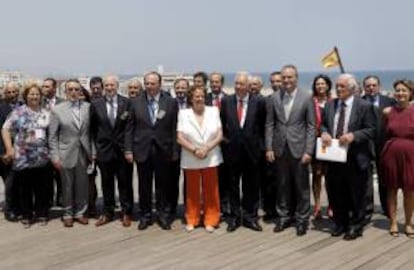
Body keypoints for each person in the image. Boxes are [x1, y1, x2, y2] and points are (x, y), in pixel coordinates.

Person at [321, 73, 376, 240]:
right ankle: (340, 223)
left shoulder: (364, 106)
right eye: (337, 86)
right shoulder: (330, 105)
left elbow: (372, 129)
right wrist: (324, 133)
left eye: (342, 86)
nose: (338, 89)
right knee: (336, 191)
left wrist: (354, 136)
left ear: (352, 88)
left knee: (357, 194)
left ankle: (356, 225)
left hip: (355, 157)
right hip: (334, 156)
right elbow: (323, 124)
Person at [265, 64, 315, 236]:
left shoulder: (307, 97)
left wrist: (309, 150)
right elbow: (270, 124)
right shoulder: (273, 98)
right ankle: (284, 217)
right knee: (282, 185)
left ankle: (302, 220)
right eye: (284, 77)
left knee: (302, 187)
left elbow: (311, 126)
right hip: (280, 149)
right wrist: (269, 147)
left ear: (296, 78)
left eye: (289, 77)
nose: (286, 80)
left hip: (299, 149)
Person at [125, 71, 178, 230]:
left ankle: (162, 215)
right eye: (147, 83)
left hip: (163, 150)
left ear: (159, 84)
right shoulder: (135, 102)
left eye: (152, 83)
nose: (149, 86)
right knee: (144, 186)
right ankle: (145, 216)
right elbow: (129, 128)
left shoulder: (170, 102)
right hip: (142, 149)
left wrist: (175, 151)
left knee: (163, 185)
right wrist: (128, 150)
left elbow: (175, 128)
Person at [220, 72, 266, 232]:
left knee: (251, 187)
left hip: (252, 153)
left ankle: (250, 217)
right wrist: (226, 142)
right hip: (231, 152)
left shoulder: (259, 102)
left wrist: (261, 147)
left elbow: (263, 126)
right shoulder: (226, 101)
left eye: (242, 84)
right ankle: (233, 218)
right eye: (236, 83)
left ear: (248, 85)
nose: (238, 86)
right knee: (232, 186)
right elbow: (222, 123)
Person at [2, 82, 51, 228]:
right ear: (26, 96)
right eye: (31, 94)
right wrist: (9, 149)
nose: (34, 96)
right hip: (23, 157)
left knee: (42, 187)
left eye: (37, 94)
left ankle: (42, 213)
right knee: (25, 188)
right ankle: (27, 215)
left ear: (40, 96)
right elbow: (5, 129)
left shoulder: (46, 112)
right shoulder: (18, 112)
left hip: (42, 157)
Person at [177, 86, 223, 232]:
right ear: (191, 98)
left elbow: (219, 135)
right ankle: (192, 219)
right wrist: (195, 150)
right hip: (191, 156)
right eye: (196, 96)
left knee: (211, 190)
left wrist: (207, 148)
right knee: (192, 191)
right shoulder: (183, 113)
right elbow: (180, 137)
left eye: (202, 96)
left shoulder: (213, 111)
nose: (199, 98)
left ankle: (211, 219)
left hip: (211, 155)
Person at [90, 75, 134, 227]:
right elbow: (93, 129)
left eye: (112, 85)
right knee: (106, 183)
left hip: (122, 151)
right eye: (107, 85)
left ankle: (126, 212)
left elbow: (129, 129)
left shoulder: (126, 103)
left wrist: (128, 149)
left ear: (117, 86)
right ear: (103, 87)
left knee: (125, 183)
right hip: (104, 151)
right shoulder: (95, 104)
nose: (109, 88)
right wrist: (95, 149)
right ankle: (108, 212)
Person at [49, 79, 92, 227]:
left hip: (84, 152)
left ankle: (80, 212)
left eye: (76, 89)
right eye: (70, 89)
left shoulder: (88, 107)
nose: (74, 92)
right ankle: (67, 213)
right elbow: (52, 136)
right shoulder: (57, 110)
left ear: (81, 91)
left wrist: (93, 152)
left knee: (82, 184)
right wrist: (54, 157)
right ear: (65, 92)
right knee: (67, 185)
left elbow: (91, 132)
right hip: (65, 153)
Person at [380, 79, 414, 238]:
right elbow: (384, 132)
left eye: (404, 90)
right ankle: (393, 222)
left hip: (411, 156)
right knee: (391, 189)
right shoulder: (387, 111)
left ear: (410, 93)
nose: (400, 93)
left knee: (409, 191)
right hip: (391, 154)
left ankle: (408, 223)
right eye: (398, 90)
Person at [362, 75, 395, 220]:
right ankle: (367, 209)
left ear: (379, 86)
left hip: (384, 145)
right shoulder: (359, 102)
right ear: (364, 88)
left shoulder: (390, 102)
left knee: (384, 178)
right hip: (364, 145)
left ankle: (387, 208)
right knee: (365, 179)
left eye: (374, 85)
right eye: (368, 86)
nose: (371, 88)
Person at [205, 72, 230, 218]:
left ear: (222, 83)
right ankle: (211, 204)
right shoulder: (204, 98)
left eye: (217, 82)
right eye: (212, 82)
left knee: (225, 176)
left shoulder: (229, 99)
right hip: (208, 144)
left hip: (225, 144)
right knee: (210, 177)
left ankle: (225, 204)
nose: (215, 84)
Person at [0, 82, 23, 221]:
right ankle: (10, 210)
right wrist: (2, 153)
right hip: (6, 153)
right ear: (5, 94)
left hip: (23, 152)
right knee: (10, 183)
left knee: (20, 182)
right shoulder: (1, 108)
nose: (12, 94)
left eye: (15, 91)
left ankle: (20, 207)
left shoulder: (24, 107)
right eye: (9, 92)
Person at [311, 74, 332, 219]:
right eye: (317, 84)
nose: (320, 86)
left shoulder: (334, 101)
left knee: (331, 176)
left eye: (323, 83)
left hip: (331, 143)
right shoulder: (310, 102)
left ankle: (332, 205)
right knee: (317, 175)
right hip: (314, 143)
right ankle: (317, 205)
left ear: (328, 85)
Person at [42, 78, 64, 207]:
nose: (44, 88)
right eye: (43, 86)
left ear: (54, 88)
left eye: (47, 86)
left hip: (60, 143)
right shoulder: (38, 102)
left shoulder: (63, 103)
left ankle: (61, 198)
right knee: (46, 175)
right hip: (43, 145)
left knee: (60, 174)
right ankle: (48, 200)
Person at [87, 76, 104, 216]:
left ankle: (108, 205)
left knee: (107, 178)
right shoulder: (87, 104)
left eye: (98, 88)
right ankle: (91, 205)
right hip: (89, 147)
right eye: (94, 89)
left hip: (105, 148)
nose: (96, 91)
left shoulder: (107, 102)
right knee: (90, 178)